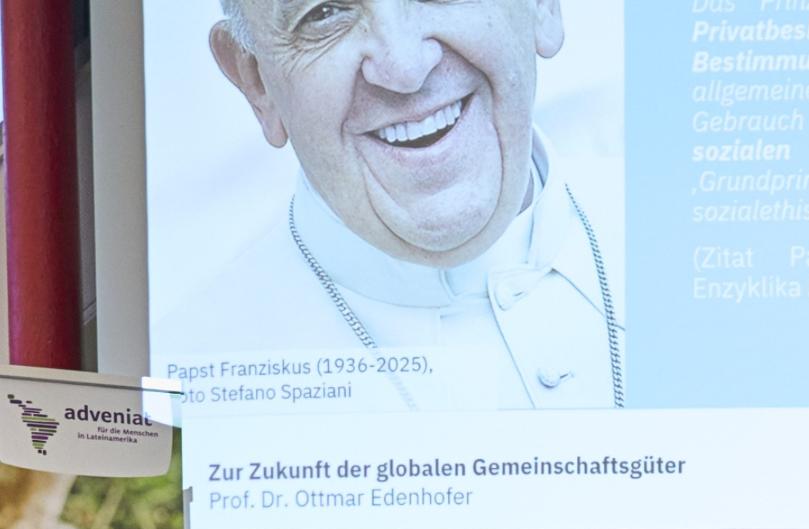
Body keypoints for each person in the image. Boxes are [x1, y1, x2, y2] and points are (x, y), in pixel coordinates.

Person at [155, 1, 623, 412]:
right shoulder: (179, 383)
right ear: (255, 80)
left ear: (542, 5)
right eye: (323, 13)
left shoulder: (689, 252)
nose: (405, 68)